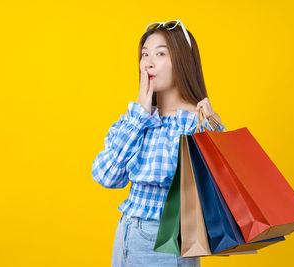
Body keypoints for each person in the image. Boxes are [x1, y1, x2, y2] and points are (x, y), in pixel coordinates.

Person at [92, 20, 226, 267]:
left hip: (166, 241)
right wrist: (139, 116)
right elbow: (106, 175)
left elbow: (219, 189)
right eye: (145, 54)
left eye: (160, 53)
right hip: (126, 235)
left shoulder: (194, 124)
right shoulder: (137, 120)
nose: (148, 62)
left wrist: (212, 128)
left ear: (183, 61)